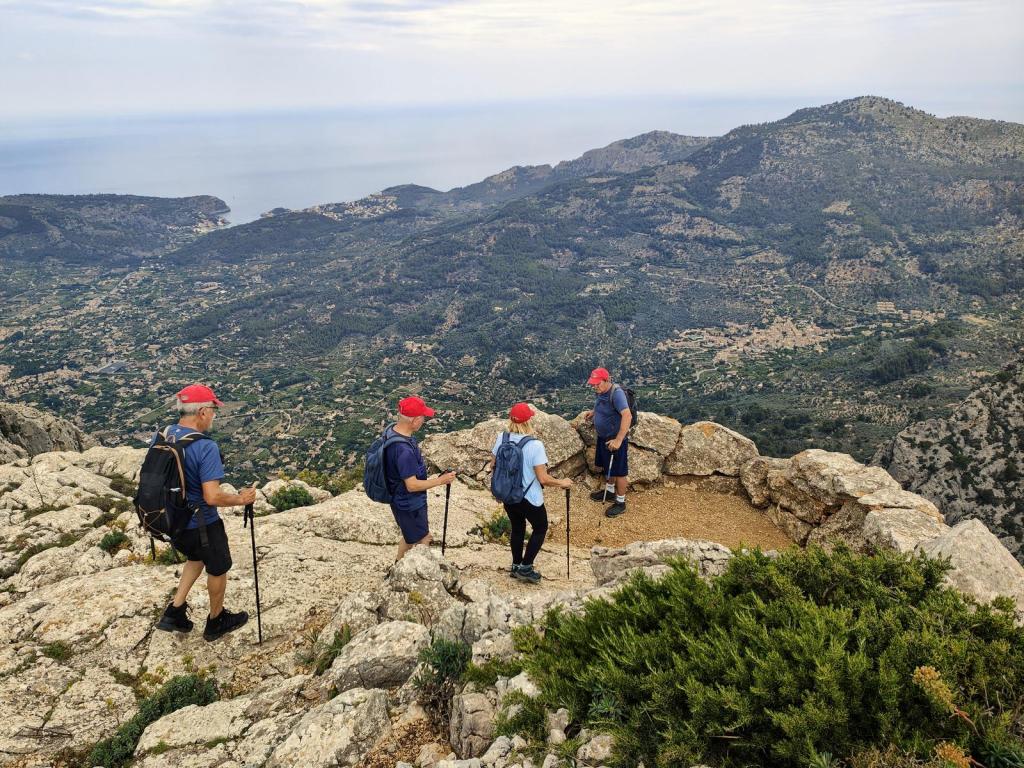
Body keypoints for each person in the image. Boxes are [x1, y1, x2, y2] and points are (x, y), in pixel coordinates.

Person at [155, 384, 256, 641]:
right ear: (202, 412)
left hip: (172, 520)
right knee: (218, 567)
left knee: (195, 556)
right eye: (213, 409)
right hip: (202, 523)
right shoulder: (205, 447)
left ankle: (174, 611)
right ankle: (216, 620)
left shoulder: (164, 434)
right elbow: (212, 496)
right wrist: (241, 499)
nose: (214, 415)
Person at [488, 403, 572, 583]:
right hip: (529, 497)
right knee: (540, 527)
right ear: (528, 421)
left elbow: (493, 464)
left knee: (517, 527)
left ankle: (516, 565)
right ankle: (526, 568)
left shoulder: (502, 438)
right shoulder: (535, 445)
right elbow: (543, 479)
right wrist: (562, 483)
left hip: (508, 495)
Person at [384, 396, 456, 561]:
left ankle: (397, 565)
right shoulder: (404, 451)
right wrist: (441, 480)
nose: (424, 420)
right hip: (409, 504)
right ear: (415, 420)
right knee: (424, 538)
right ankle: (418, 571)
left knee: (409, 538)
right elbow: (412, 485)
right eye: (423, 417)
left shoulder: (392, 432)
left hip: (399, 499)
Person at [584, 367, 632, 517]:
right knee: (607, 466)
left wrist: (618, 440)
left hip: (614, 439)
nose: (595, 386)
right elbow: (601, 404)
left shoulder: (616, 394)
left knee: (620, 471)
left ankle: (621, 502)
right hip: (603, 438)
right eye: (593, 384)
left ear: (607, 380)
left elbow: (627, 415)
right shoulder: (601, 391)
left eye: (597, 383)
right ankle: (610, 491)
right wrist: (594, 412)